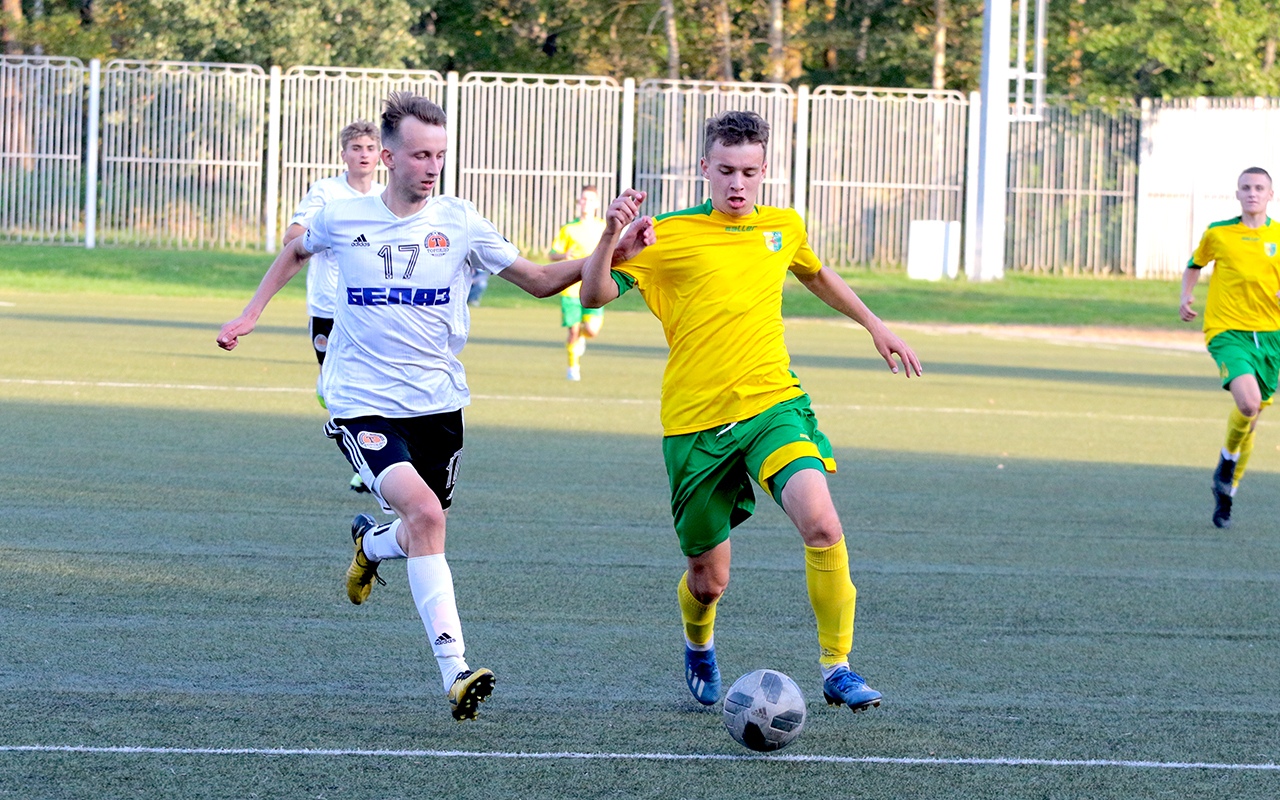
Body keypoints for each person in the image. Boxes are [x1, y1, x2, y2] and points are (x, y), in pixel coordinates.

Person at [217, 92, 653, 721]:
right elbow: (296, 251)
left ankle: (372, 546)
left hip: (438, 403)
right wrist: (250, 313)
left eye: (440, 155)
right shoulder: (344, 216)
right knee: (426, 515)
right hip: (361, 400)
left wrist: (613, 248)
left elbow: (538, 281)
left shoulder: (461, 221)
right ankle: (456, 672)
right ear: (389, 157)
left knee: (423, 525)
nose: (432, 166)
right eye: (420, 155)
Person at [580, 111, 922, 715]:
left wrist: (875, 324)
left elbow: (815, 272)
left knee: (823, 524)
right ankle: (699, 643)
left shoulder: (783, 226)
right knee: (709, 580)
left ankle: (837, 667)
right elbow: (593, 294)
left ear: (764, 170)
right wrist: (611, 236)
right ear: (704, 168)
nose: (737, 183)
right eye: (726, 170)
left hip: (772, 405)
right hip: (695, 424)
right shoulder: (669, 234)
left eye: (749, 172)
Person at [283, 119, 384, 494]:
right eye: (356, 148)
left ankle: (372, 465)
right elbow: (292, 237)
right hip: (328, 306)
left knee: (374, 385)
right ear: (344, 154)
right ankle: (367, 454)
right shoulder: (326, 192)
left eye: (370, 149)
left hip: (371, 307)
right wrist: (337, 236)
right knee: (336, 392)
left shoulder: (385, 197)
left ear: (381, 155)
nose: (364, 155)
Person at [1180, 166, 1280, 529]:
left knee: (1251, 422)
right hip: (1227, 332)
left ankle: (1228, 490)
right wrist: (1186, 295)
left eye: (1259, 188)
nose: (1252, 193)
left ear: (1270, 195)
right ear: (1237, 194)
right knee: (1248, 403)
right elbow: (1194, 265)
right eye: (1246, 187)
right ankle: (1226, 462)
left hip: (1271, 336)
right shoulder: (1219, 232)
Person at [549, 185, 607, 380]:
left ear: (596, 204)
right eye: (583, 199)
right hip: (571, 288)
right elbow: (552, 254)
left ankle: (582, 336)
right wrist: (563, 255)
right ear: (578, 202)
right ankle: (573, 368)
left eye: (590, 199)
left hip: (594, 285)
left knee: (591, 330)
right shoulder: (569, 229)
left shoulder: (603, 228)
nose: (586, 203)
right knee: (573, 329)